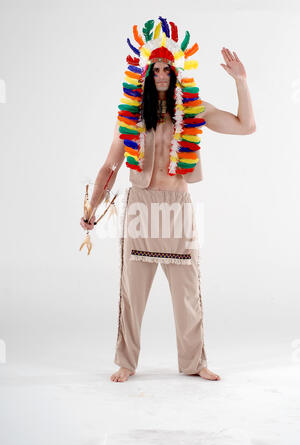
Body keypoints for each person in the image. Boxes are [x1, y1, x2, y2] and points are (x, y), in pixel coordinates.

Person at [80, 17, 256, 383]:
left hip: (177, 207)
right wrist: (91, 211)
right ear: (145, 72)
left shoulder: (192, 109)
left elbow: (245, 125)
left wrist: (240, 80)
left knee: (187, 290)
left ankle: (194, 362)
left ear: (176, 71)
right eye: (155, 68)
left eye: (166, 68)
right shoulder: (129, 115)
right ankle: (126, 362)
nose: (161, 74)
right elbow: (109, 166)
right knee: (132, 292)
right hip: (141, 206)